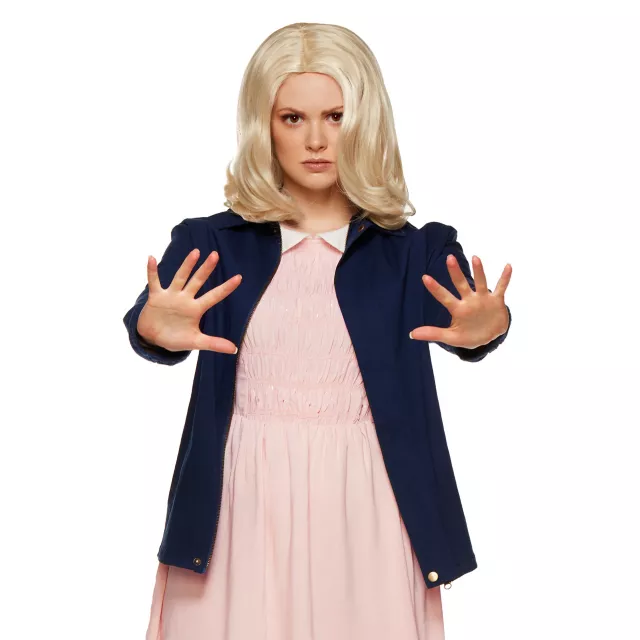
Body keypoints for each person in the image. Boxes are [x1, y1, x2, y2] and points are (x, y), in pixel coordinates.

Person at [123, 22, 513, 640]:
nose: (315, 140)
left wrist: (490, 327)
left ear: (366, 121)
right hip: (237, 506)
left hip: (368, 506)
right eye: (292, 118)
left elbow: (471, 317)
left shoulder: (416, 252)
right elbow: (153, 322)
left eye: (335, 116)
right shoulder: (210, 243)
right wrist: (153, 329)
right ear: (264, 125)